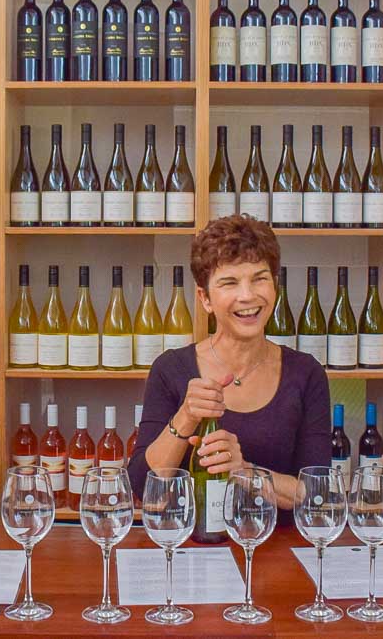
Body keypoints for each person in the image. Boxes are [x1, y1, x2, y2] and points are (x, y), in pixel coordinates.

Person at [127, 214, 331, 523]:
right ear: (205, 298)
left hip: (279, 557)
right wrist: (186, 416)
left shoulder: (306, 373)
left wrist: (245, 472)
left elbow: (316, 493)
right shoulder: (170, 369)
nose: (247, 295)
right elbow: (145, 489)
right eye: (229, 282)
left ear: (274, 287)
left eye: (259, 278)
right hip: (192, 551)